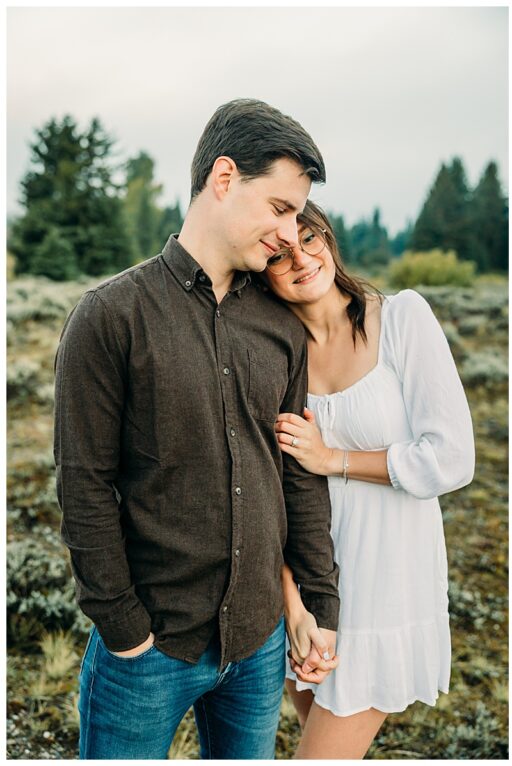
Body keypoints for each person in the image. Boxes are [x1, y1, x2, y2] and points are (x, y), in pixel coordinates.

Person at [54, 99, 341, 759]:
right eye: (279, 209)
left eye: (299, 216)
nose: (293, 235)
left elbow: (295, 476)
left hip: (258, 645)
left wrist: (319, 605)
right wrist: (124, 630)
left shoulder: (279, 328)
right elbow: (84, 485)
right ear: (223, 178)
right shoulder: (109, 317)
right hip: (146, 655)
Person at [259, 201, 475, 758]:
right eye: (280, 254)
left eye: (310, 239)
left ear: (328, 239)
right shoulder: (270, 353)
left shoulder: (401, 317)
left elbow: (451, 458)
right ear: (260, 267)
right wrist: (294, 605)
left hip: (386, 582)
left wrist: (335, 459)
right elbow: (265, 491)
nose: (302, 260)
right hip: (305, 588)